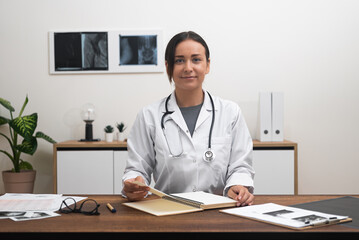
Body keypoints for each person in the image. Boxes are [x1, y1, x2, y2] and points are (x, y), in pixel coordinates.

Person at [122, 31, 255, 207]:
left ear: (207, 65)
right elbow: (137, 168)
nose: (188, 67)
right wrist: (134, 185)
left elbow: (240, 166)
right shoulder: (149, 115)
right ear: (168, 66)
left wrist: (237, 186)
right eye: (179, 60)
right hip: (168, 211)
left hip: (219, 211)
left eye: (196, 59)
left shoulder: (230, 112)